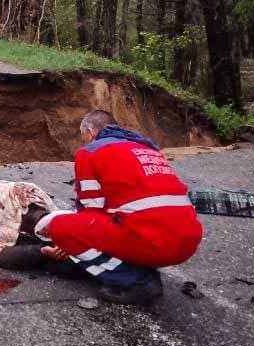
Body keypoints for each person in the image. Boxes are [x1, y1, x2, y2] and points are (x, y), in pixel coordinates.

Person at [27, 109, 203, 304]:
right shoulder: (148, 149)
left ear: (90, 132)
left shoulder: (90, 152)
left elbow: (89, 210)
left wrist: (68, 245)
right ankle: (137, 266)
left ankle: (135, 280)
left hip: (153, 242)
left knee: (61, 226)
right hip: (188, 241)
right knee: (117, 219)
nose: (84, 141)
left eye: (83, 136)